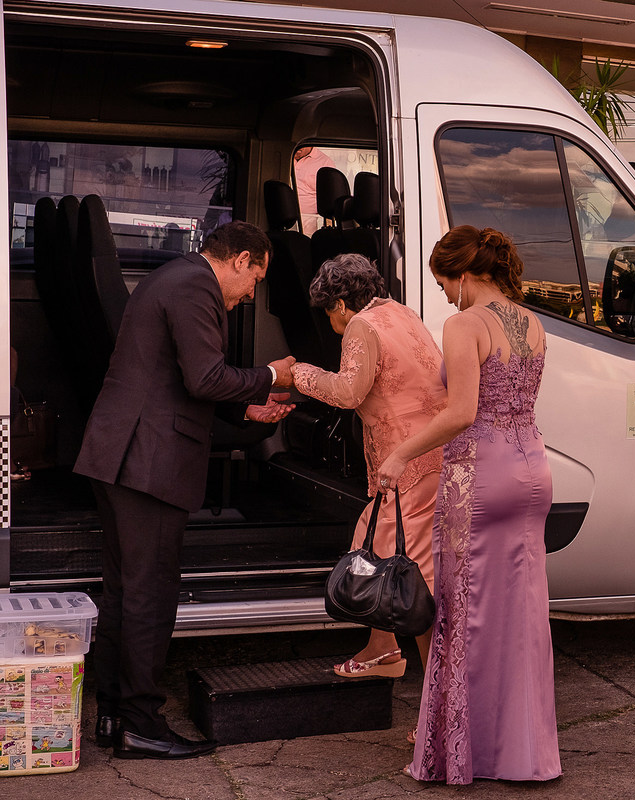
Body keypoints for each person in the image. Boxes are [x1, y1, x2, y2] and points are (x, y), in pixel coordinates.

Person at [75, 221, 296, 759]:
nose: (250, 296)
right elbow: (204, 377)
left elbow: (176, 377)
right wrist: (269, 374)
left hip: (121, 455)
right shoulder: (197, 286)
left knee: (125, 593)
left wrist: (243, 407)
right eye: (255, 280)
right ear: (241, 259)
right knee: (149, 596)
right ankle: (142, 724)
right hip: (148, 461)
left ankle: (113, 715)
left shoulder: (173, 277)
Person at [376, 226, 559, 785]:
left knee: (463, 613)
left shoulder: (464, 324)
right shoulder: (533, 323)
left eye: (443, 284)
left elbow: (461, 412)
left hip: (480, 474)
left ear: (462, 275)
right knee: (521, 619)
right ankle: (525, 754)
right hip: (532, 469)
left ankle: (464, 754)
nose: (445, 297)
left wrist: (400, 454)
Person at [290, 253, 446, 680]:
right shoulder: (400, 311)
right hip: (433, 452)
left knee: (410, 576)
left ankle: (442, 701)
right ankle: (383, 648)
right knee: (382, 550)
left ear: (339, 304)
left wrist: (297, 374)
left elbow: (348, 392)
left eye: (328, 313)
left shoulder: (361, 325)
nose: (330, 323)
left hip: (404, 461)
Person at [293, 146, 336, 235]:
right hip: (281, 219)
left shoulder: (325, 162)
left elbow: (329, 198)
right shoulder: (285, 156)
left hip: (307, 226)